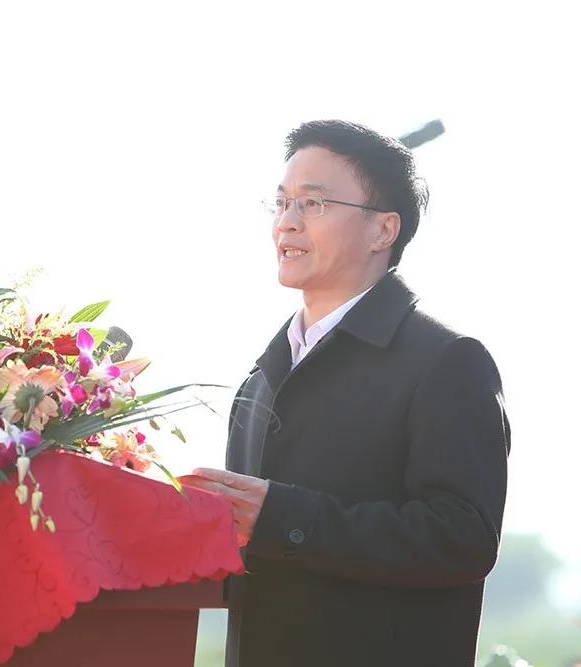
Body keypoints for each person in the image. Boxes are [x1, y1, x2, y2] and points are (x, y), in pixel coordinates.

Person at [181, 119, 511, 666]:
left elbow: (463, 538)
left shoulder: (447, 363)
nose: (287, 222)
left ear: (383, 230)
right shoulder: (259, 382)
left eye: (312, 204)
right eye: (281, 203)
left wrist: (283, 516)